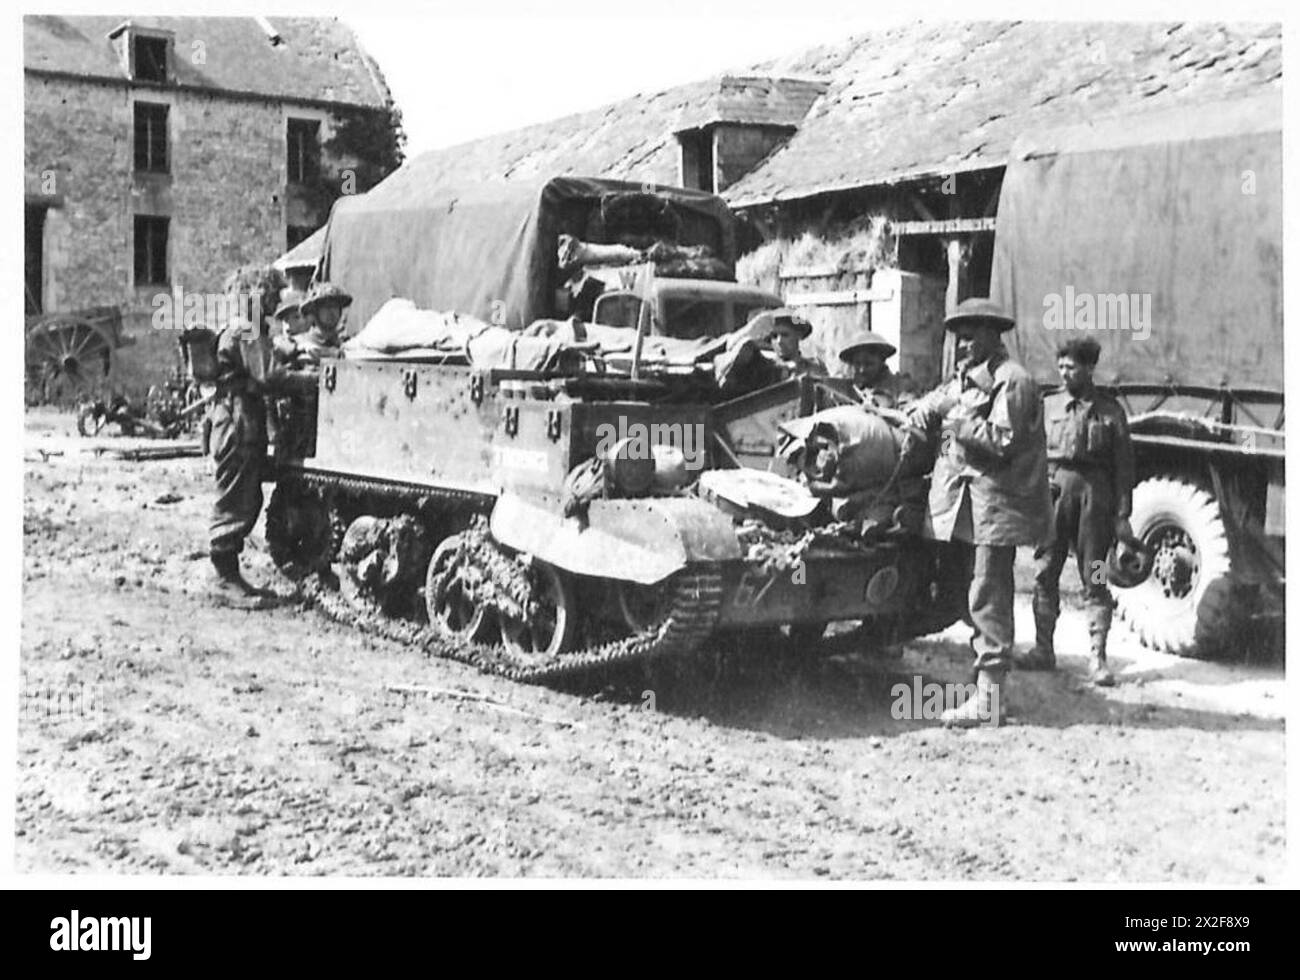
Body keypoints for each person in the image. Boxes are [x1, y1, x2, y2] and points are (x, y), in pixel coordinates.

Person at [905, 298, 1051, 726]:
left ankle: (989, 699)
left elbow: (1002, 441)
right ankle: (985, 684)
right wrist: (917, 412)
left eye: (971, 336)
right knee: (967, 590)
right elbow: (939, 402)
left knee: (989, 593)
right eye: (959, 336)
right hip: (966, 505)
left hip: (996, 505)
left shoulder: (1013, 382)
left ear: (993, 334)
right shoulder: (970, 379)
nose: (963, 343)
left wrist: (957, 421)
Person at [1015, 337, 1134, 686]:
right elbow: (1031, 453)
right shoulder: (1048, 405)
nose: (1065, 373)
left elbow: (1124, 469)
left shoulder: (1111, 411)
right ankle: (1042, 649)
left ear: (1089, 369)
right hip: (1054, 496)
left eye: (1072, 367)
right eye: (1062, 366)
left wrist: (1122, 516)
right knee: (1045, 570)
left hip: (1094, 503)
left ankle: (1097, 658)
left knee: (1094, 575)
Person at [207, 265, 288, 609]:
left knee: (245, 495)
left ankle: (231, 576)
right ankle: (224, 580)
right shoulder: (246, 330)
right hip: (238, 421)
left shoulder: (239, 328)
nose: (274, 303)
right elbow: (269, 375)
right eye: (269, 296)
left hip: (236, 417)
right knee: (236, 497)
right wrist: (308, 376)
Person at [715, 307, 825, 397]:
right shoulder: (763, 368)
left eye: (785, 335)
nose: (779, 341)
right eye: (774, 336)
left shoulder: (815, 367)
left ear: (798, 335)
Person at [838, 330, 914, 408]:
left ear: (882, 361)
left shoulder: (900, 387)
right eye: (857, 364)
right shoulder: (848, 390)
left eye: (869, 364)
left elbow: (908, 416)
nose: (862, 370)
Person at [294, 281, 352, 363]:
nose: (331, 312)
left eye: (335, 307)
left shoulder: (346, 345)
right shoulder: (301, 343)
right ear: (315, 311)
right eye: (326, 307)